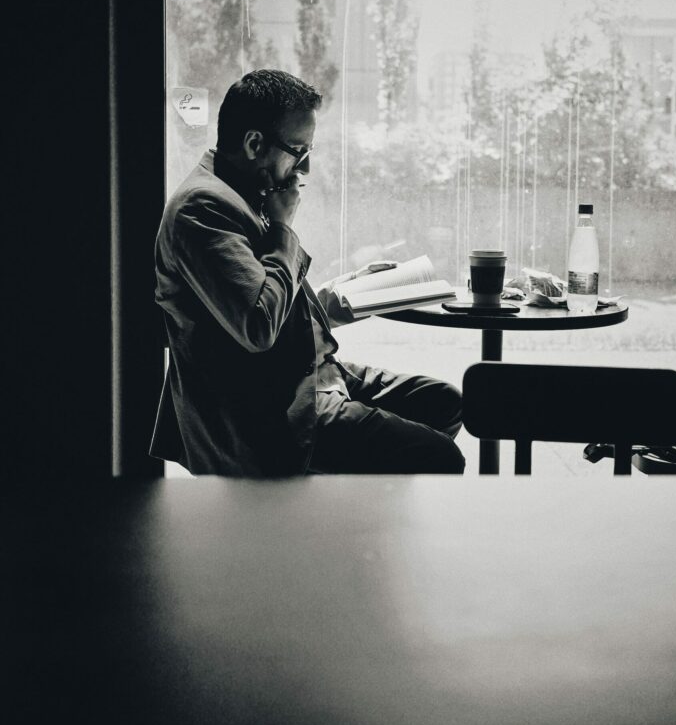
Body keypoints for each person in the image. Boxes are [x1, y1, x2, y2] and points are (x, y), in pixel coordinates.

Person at [151, 69, 465, 477]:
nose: (307, 166)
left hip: (309, 373)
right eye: (299, 150)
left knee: (444, 401)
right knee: (439, 456)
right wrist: (284, 231)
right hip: (270, 407)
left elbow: (274, 301)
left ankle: (343, 514)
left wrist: (355, 289)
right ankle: (339, 522)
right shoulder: (204, 209)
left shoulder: (246, 192)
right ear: (253, 144)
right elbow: (259, 324)